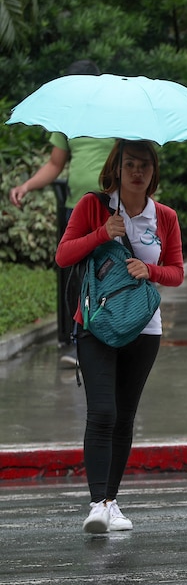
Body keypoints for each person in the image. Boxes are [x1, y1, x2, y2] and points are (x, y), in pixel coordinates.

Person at [54, 139, 184, 533]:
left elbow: (176, 271)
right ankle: (96, 504)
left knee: (125, 417)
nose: (137, 172)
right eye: (130, 164)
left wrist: (152, 272)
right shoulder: (93, 206)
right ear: (117, 166)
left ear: (153, 172)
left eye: (144, 165)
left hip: (144, 329)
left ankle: (111, 501)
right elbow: (63, 256)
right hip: (95, 325)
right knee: (103, 412)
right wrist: (100, 233)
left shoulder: (164, 217)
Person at [9, 59, 116, 364]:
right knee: (75, 275)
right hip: (76, 209)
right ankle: (78, 341)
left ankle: (109, 338)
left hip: (110, 208)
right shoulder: (70, 121)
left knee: (107, 274)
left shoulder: (117, 118)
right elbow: (55, 165)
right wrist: (26, 186)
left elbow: (137, 161)